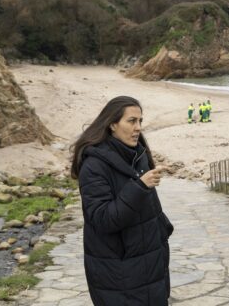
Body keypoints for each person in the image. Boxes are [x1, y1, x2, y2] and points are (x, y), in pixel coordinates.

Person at [70, 96, 174, 306]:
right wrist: (140, 186)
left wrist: (163, 228)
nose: (138, 128)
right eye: (131, 121)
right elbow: (102, 219)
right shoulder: (94, 166)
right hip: (119, 273)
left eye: (140, 121)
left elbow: (147, 207)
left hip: (150, 264)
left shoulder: (138, 155)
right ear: (112, 124)